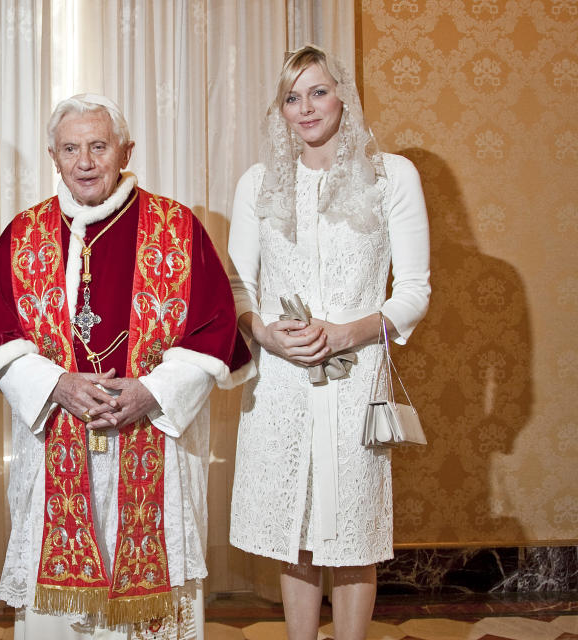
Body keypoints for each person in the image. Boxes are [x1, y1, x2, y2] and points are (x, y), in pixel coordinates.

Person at [0, 94, 253, 639]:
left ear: (125, 150)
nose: (85, 162)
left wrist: (152, 393)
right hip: (56, 437)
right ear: (53, 156)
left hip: (155, 442)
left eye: (98, 146)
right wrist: (57, 384)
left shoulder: (176, 227)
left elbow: (213, 331)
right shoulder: (23, 236)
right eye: (70, 148)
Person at [227, 46, 430, 639]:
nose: (306, 107)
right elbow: (237, 286)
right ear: (280, 110)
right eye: (293, 96)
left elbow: (414, 292)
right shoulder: (258, 183)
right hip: (283, 377)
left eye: (318, 91)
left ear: (344, 95)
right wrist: (264, 333)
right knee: (295, 527)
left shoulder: (392, 175)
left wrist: (349, 331)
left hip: (356, 374)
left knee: (351, 531)